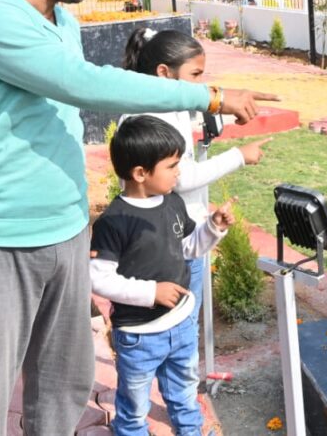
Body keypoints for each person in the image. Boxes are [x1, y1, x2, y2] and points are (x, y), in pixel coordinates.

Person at [0, 0, 275, 435]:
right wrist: (210, 97)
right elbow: (81, 85)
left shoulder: (62, 24)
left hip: (66, 229)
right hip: (1, 239)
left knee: (63, 379)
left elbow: (36, 116)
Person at [90, 115, 234, 436]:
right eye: (171, 165)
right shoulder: (114, 222)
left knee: (184, 391)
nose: (179, 171)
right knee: (134, 406)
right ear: (140, 173)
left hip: (181, 327)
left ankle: (190, 431)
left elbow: (189, 248)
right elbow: (99, 280)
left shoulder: (172, 204)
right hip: (140, 336)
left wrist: (214, 228)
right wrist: (151, 293)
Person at [121, 28, 271, 334]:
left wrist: (232, 112)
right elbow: (181, 177)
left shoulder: (170, 107)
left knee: (185, 338)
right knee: (167, 333)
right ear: (164, 73)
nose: (201, 85)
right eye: (195, 75)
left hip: (188, 235)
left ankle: (184, 382)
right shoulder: (148, 118)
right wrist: (239, 156)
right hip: (166, 246)